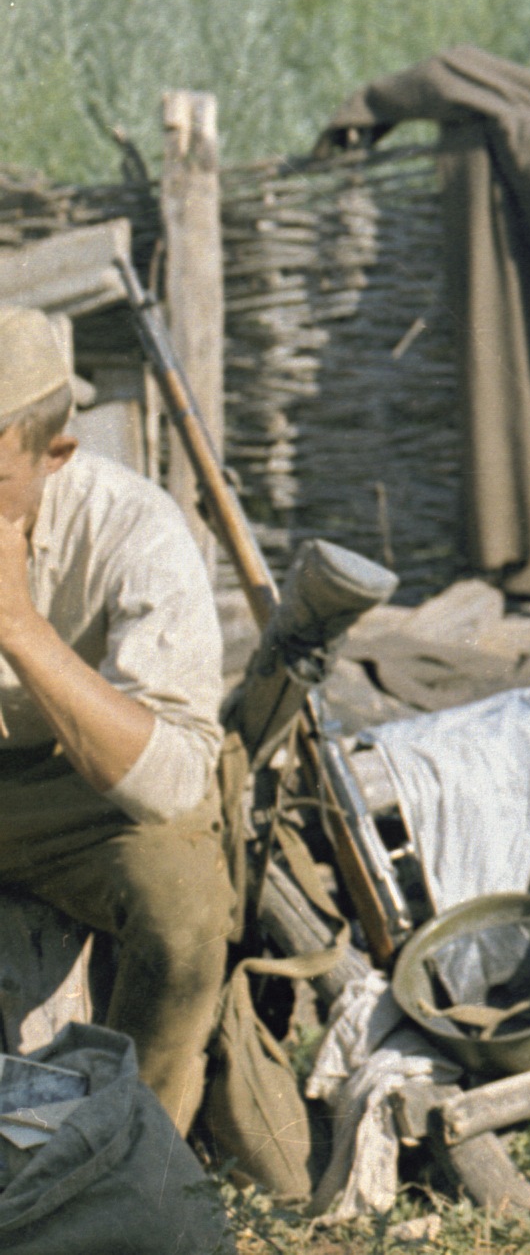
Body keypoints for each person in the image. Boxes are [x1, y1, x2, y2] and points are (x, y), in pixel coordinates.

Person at [0, 304, 233, 1127]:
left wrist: (20, 626)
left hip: (85, 795)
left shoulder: (134, 528)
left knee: (185, 908)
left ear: (56, 455)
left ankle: (134, 1148)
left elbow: (172, 778)